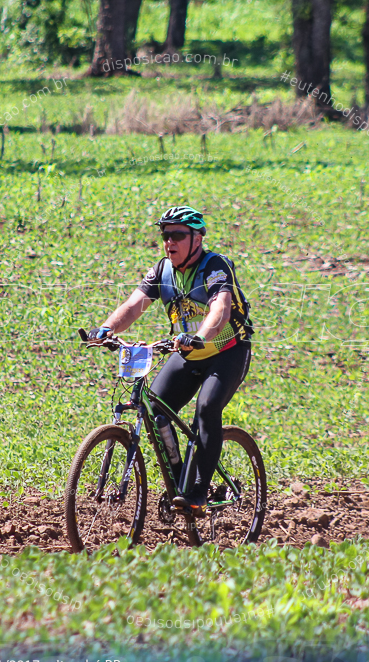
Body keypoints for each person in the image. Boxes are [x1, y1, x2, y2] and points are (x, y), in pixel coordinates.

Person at [89, 206, 254, 517]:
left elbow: (220, 309)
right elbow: (135, 304)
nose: (169, 242)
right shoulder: (163, 270)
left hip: (227, 351)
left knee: (207, 409)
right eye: (165, 235)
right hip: (189, 354)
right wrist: (107, 329)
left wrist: (201, 336)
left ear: (197, 238)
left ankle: (198, 492)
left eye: (177, 235)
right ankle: (179, 480)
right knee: (154, 409)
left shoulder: (214, 266)